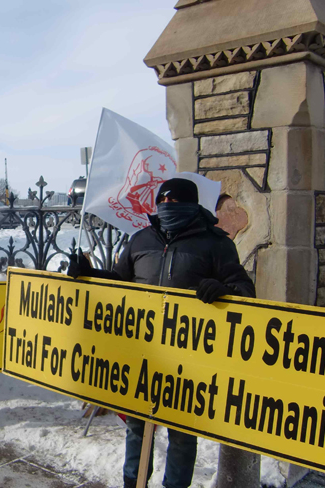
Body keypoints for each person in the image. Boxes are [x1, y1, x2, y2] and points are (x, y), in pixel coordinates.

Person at [67, 178, 256, 488]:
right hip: (143, 354)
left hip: (188, 362)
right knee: (137, 427)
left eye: (175, 203)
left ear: (193, 206)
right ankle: (133, 482)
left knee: (182, 435)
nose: (168, 208)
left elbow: (246, 292)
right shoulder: (141, 240)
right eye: (163, 203)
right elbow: (119, 282)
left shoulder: (216, 244)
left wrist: (224, 290)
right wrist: (89, 275)